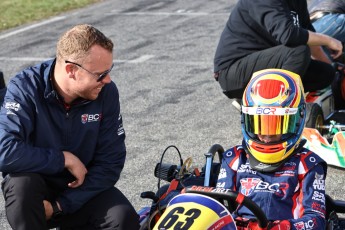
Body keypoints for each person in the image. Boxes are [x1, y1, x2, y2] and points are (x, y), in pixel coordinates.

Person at [0, 24, 140, 230]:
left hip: (82, 189)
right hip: (38, 186)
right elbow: (4, 150)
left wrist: (60, 206)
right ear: (71, 70)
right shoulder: (26, 87)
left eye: (109, 71)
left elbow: (110, 163)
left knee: (123, 217)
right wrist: (63, 159)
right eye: (100, 74)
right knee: (21, 187)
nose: (107, 80)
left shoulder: (107, 92)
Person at [216, 69, 327, 229]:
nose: (267, 136)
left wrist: (279, 227)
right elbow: (219, 209)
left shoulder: (308, 164)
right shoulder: (234, 158)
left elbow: (316, 221)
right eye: (260, 124)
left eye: (277, 125)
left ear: (298, 120)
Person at [213, 0, 343, 100]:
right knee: (298, 51)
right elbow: (288, 35)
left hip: (266, 63)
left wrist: (333, 71)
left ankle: (259, 99)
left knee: (325, 73)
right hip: (233, 71)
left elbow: (310, 39)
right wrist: (329, 40)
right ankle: (273, 110)